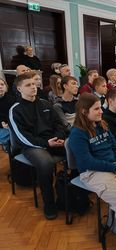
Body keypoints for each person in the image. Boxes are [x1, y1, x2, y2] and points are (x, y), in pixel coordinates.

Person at [69, 93, 116, 250]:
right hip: (92, 172)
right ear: (84, 111)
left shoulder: (101, 124)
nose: (101, 111)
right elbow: (86, 162)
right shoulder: (77, 133)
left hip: (114, 165)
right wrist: (115, 168)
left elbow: (115, 146)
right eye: (96, 109)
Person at [9, 71, 66, 220]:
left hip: (53, 140)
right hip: (31, 146)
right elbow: (22, 137)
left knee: (77, 149)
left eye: (34, 84)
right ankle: (49, 203)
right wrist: (45, 143)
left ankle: (71, 193)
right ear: (19, 88)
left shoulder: (45, 103)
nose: (33, 87)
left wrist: (59, 137)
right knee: (45, 163)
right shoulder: (15, 109)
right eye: (28, 85)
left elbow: (58, 124)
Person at [0, 78, 15, 148]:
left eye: (2, 84)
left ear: (6, 87)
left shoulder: (12, 99)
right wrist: (1, 124)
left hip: (10, 125)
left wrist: (9, 123)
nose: (0, 87)